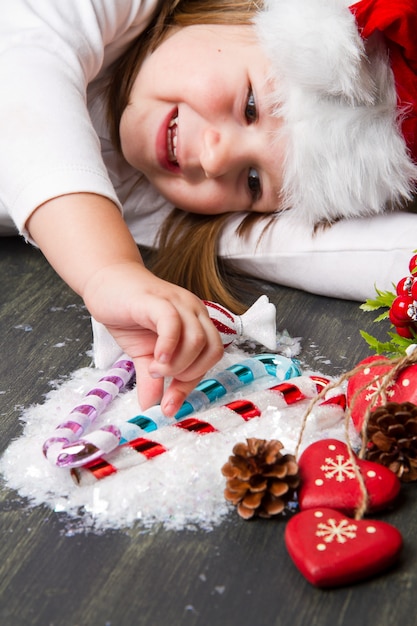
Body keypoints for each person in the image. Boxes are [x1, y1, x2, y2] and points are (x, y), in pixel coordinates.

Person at [1, 0, 416, 416]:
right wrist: (108, 269)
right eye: (250, 107)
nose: (217, 162)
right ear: (241, 10)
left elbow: (344, 250)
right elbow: (23, 67)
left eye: (253, 180)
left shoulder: (168, 203)